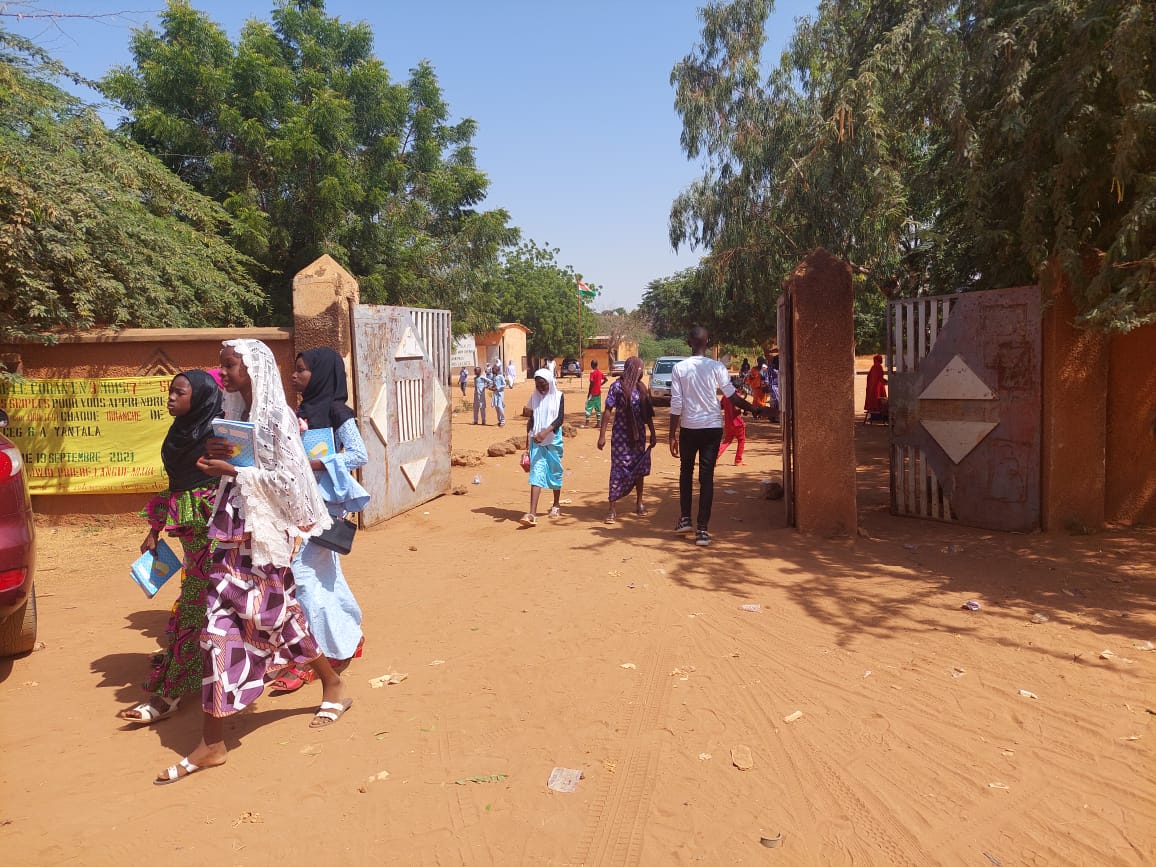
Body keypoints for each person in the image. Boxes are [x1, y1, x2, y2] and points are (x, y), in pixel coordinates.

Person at [156, 339, 350, 784]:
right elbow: (238, 466)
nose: (223, 373)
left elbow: (290, 479)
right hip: (230, 531)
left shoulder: (277, 417)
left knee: (264, 621)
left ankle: (327, 685)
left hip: (261, 537)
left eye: (230, 366)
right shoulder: (234, 416)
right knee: (233, 626)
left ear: (253, 370)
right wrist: (216, 462)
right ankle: (216, 742)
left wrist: (236, 472)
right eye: (222, 367)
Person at [119, 371, 223, 725]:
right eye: (170, 391)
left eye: (179, 393)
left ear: (201, 399)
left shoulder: (219, 437)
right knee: (202, 608)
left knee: (201, 608)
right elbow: (176, 487)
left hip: (220, 543)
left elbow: (240, 486)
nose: (170, 398)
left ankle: (172, 693)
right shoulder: (180, 435)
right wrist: (155, 528)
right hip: (194, 549)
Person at [272, 348, 370, 692]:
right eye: (294, 370)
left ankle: (309, 656)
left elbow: (359, 454)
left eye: (301, 370)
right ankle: (347, 637)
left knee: (300, 575)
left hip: (325, 507)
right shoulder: (300, 411)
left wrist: (315, 464)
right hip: (299, 504)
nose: (295, 376)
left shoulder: (336, 410)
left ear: (322, 373)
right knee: (323, 575)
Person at [670, 326, 761, 546]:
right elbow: (732, 397)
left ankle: (685, 520)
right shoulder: (716, 367)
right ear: (707, 342)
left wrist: (672, 434)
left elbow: (676, 403)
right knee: (706, 477)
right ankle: (702, 530)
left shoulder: (679, 368)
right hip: (712, 427)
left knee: (685, 473)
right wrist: (755, 408)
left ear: (689, 342)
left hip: (690, 428)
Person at [596, 357, 656, 522]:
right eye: (639, 369)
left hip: (639, 437)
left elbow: (647, 414)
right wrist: (602, 435)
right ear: (632, 370)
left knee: (639, 468)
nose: (641, 372)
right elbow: (608, 410)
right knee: (618, 469)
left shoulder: (641, 388)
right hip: (620, 436)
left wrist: (653, 432)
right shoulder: (616, 387)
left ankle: (639, 502)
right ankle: (612, 507)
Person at [519, 368, 565, 527]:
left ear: (550, 383)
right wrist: (528, 441)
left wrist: (545, 433)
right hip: (536, 441)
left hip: (553, 439)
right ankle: (532, 513)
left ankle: (556, 504)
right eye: (538, 386)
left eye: (543, 385)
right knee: (536, 473)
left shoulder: (558, 396)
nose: (541, 388)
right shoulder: (535, 397)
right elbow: (532, 418)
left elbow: (560, 419)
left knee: (554, 472)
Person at [718, 390, 747, 466]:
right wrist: (744, 408)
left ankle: (715, 456)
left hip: (728, 423)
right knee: (741, 440)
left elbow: (721, 406)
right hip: (738, 423)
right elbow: (737, 408)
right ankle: (738, 460)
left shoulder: (725, 395)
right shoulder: (737, 396)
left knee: (727, 441)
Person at [864, 354, 888, 424]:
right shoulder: (879, 367)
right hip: (878, 387)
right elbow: (880, 377)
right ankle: (879, 416)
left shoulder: (873, 367)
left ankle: (874, 416)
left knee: (873, 400)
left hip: (872, 388)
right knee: (880, 400)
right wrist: (886, 381)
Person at [585, 359, 605, 426]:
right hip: (598, 393)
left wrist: (589, 393)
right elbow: (606, 379)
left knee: (588, 406)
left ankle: (587, 423)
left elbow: (591, 383)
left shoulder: (592, 373)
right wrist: (600, 385)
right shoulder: (600, 372)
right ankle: (598, 423)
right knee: (598, 407)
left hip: (592, 393)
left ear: (592, 365)